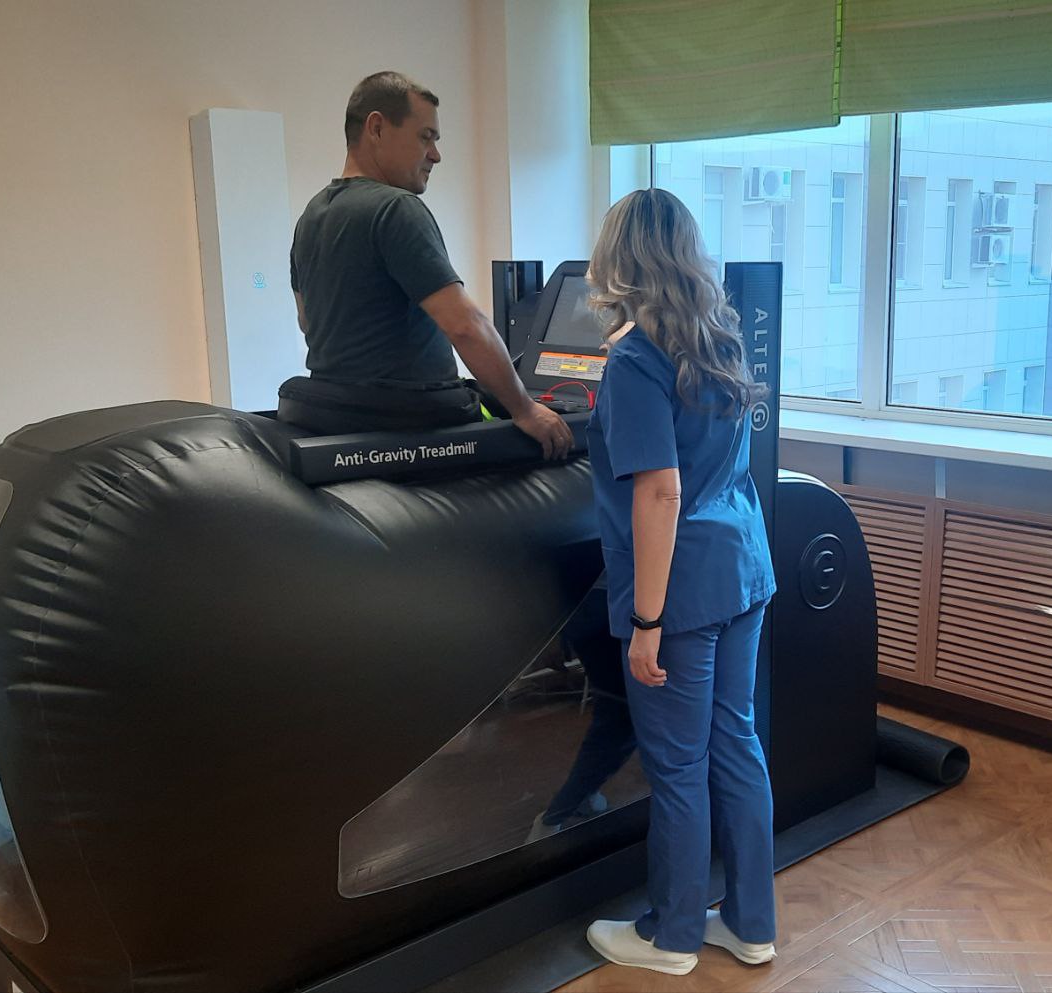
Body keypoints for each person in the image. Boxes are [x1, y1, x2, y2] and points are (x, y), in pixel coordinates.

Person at [582, 189, 778, 976]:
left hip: (682, 592)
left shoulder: (635, 358)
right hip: (741, 571)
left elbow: (660, 492)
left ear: (618, 258)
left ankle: (671, 936)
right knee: (737, 744)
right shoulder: (718, 336)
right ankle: (751, 924)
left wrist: (647, 620)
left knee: (677, 765)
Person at [281, 71, 572, 459]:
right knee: (548, 429)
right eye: (425, 137)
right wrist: (525, 409)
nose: (435, 154)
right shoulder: (396, 208)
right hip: (415, 420)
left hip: (338, 417)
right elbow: (466, 326)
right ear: (377, 128)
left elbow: (308, 321)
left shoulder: (312, 216)